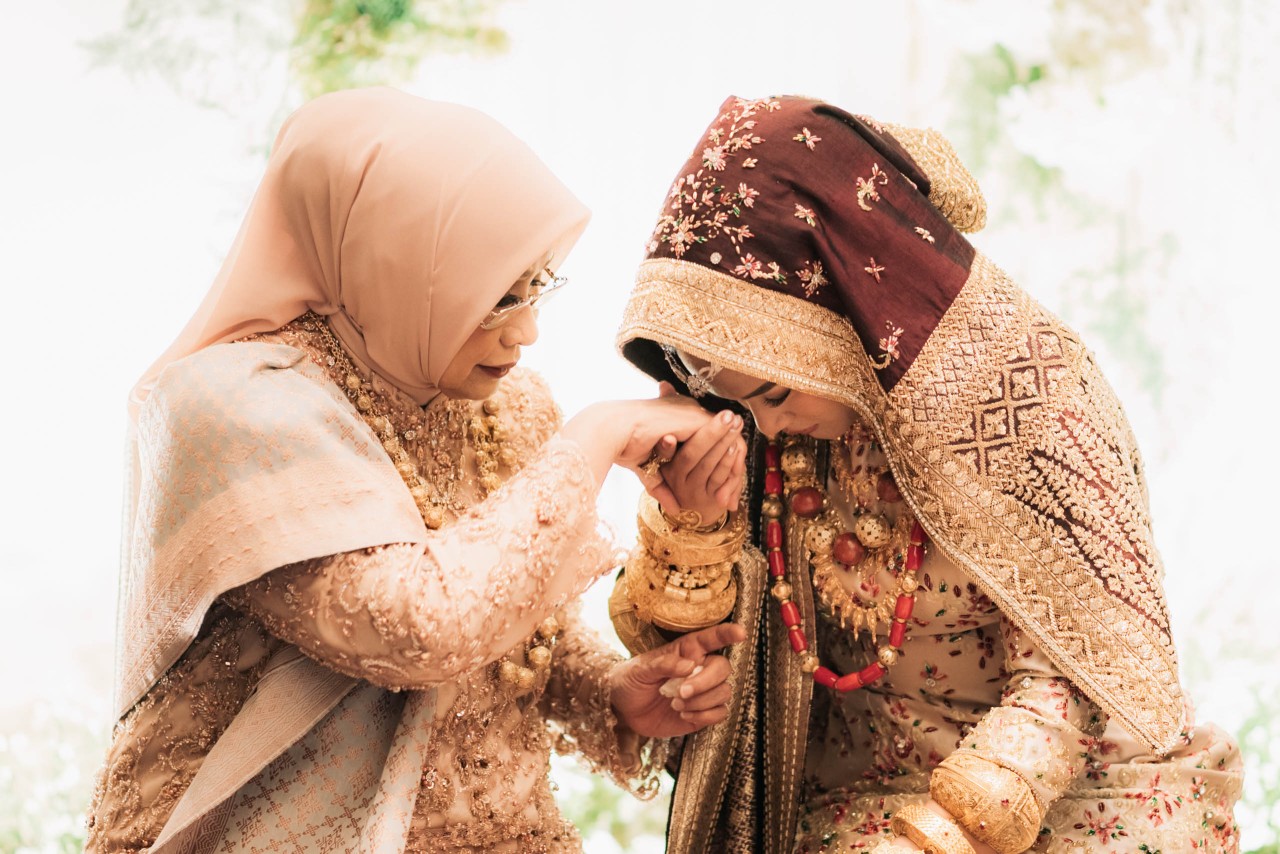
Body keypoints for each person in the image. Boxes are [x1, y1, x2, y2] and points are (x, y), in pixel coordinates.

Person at [85, 87, 746, 854]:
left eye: (537, 286)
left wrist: (609, 692)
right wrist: (596, 439)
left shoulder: (508, 407)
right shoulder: (234, 405)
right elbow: (417, 630)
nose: (527, 331)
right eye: (497, 297)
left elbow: (523, 635)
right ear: (390, 268)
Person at [611, 95, 1243, 853]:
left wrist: (941, 832)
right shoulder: (769, 430)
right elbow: (717, 668)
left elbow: (1075, 674)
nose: (767, 427)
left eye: (774, 395)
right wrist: (692, 523)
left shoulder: (1028, 397)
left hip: (1064, 793)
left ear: (843, 317)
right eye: (742, 402)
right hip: (851, 804)